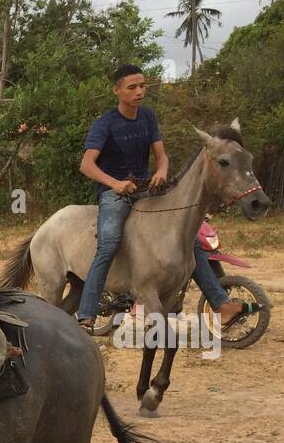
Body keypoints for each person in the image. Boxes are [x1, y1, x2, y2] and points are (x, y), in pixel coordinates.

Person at [76, 64, 249, 332]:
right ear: (117, 91)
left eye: (142, 86)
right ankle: (86, 313)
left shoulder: (147, 117)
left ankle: (221, 305)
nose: (139, 92)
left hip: (146, 191)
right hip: (114, 194)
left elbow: (162, 155)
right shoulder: (105, 123)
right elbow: (86, 165)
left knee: (188, 240)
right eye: (132, 87)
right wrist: (115, 184)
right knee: (108, 242)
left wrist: (162, 170)